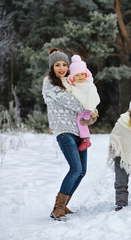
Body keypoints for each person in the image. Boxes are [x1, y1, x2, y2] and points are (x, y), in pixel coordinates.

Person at [42, 48, 98, 220]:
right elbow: (72, 102)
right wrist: (90, 110)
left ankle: (64, 205)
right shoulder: (50, 83)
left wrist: (91, 115)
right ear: (52, 67)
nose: (61, 68)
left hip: (79, 131)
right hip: (64, 131)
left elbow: (86, 96)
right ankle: (57, 208)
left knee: (82, 171)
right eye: (57, 65)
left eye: (64, 65)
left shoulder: (70, 82)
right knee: (75, 168)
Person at [66, 55, 100, 151]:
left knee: (81, 121)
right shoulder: (74, 85)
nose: (80, 77)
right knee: (78, 120)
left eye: (82, 74)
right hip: (80, 108)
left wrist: (89, 109)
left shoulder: (88, 84)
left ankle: (86, 139)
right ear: (72, 76)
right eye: (77, 75)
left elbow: (92, 96)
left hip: (88, 108)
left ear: (86, 74)